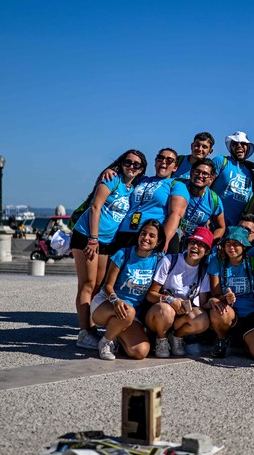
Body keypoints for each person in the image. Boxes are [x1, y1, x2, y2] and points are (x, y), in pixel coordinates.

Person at [71, 149, 146, 350]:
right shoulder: (111, 179)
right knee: (87, 284)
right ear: (121, 164)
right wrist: (93, 239)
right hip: (88, 236)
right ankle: (84, 332)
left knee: (97, 285)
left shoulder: (133, 188)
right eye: (128, 162)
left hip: (107, 241)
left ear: (141, 170)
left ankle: (91, 327)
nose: (131, 167)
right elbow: (96, 207)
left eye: (136, 165)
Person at [92, 220, 166, 360]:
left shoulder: (159, 260)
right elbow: (108, 285)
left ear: (158, 241)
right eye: (143, 233)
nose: (146, 238)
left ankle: (117, 336)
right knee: (128, 311)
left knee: (141, 352)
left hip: (130, 314)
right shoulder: (123, 253)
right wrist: (115, 301)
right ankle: (105, 342)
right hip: (108, 303)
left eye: (152, 236)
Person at [145, 227, 213, 357]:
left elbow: (202, 305)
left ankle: (177, 336)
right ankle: (161, 339)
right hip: (159, 312)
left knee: (202, 319)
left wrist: (215, 301)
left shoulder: (204, 271)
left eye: (200, 245)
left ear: (207, 251)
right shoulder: (170, 260)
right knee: (166, 310)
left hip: (181, 318)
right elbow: (151, 294)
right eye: (192, 242)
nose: (195, 247)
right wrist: (170, 300)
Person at [206, 226, 254, 359]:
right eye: (228, 244)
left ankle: (245, 341)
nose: (231, 248)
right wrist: (225, 297)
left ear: (244, 246)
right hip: (229, 312)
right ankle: (222, 338)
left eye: (236, 244)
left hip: (250, 313)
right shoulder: (217, 262)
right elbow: (215, 293)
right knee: (218, 310)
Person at [112, 148, 189, 254]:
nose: (164, 161)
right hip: (126, 232)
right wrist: (111, 171)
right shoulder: (141, 180)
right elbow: (125, 172)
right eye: (160, 158)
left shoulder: (177, 185)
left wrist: (163, 241)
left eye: (169, 160)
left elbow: (176, 214)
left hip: (153, 237)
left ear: (175, 167)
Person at [210, 131, 254, 227]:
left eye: (243, 144)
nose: (239, 146)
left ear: (248, 147)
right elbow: (205, 188)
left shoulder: (251, 172)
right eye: (235, 144)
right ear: (231, 147)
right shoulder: (221, 161)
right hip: (212, 224)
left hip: (234, 230)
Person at [179, 158, 226, 242]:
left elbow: (221, 227)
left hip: (194, 246)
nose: (200, 176)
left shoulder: (214, 200)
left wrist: (208, 243)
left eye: (205, 174)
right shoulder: (178, 186)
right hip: (170, 238)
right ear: (191, 172)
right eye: (197, 172)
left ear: (211, 179)